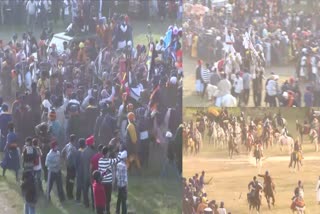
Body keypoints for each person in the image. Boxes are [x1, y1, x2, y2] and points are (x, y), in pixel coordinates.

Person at [98, 146, 121, 214]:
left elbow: (100, 170)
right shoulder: (109, 160)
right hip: (108, 183)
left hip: (102, 182)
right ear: (107, 153)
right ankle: (107, 211)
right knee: (108, 198)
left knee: (103, 197)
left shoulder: (100, 160)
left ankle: (103, 210)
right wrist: (119, 151)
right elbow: (118, 159)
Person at [61, 134, 77, 200]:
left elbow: (62, 152)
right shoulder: (73, 148)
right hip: (72, 166)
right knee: (71, 180)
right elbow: (70, 156)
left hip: (68, 166)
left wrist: (65, 161)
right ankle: (70, 194)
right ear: (74, 140)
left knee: (68, 179)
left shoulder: (67, 145)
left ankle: (68, 192)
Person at [116, 149, 128, 214]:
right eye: (126, 157)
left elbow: (117, 175)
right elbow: (125, 178)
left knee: (119, 199)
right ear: (124, 158)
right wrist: (126, 187)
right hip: (123, 186)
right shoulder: (124, 166)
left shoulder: (118, 164)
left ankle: (117, 211)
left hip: (119, 185)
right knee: (124, 200)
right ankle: (124, 212)